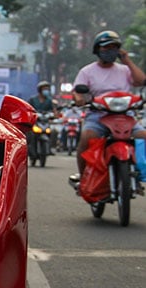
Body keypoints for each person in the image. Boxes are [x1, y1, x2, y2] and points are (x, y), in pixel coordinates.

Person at [70, 30, 146, 183]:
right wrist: (79, 99)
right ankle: (84, 177)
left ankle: (139, 172)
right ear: (97, 49)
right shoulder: (87, 71)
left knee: (143, 136)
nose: (110, 51)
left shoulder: (124, 69)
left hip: (125, 115)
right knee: (86, 137)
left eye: (114, 47)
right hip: (98, 115)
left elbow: (140, 81)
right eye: (106, 47)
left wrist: (127, 61)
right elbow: (77, 91)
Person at [28, 81, 58, 156]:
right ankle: (30, 150)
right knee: (30, 134)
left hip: (45, 122)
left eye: (47, 89)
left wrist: (54, 115)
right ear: (40, 90)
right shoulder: (33, 99)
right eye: (44, 89)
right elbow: (28, 109)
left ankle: (50, 148)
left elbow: (53, 111)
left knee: (53, 132)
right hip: (35, 122)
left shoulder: (49, 100)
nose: (46, 90)